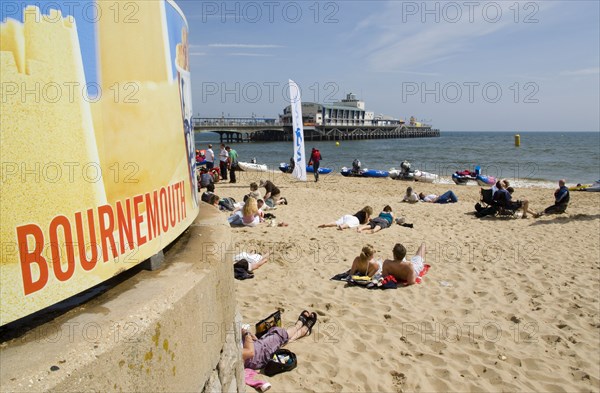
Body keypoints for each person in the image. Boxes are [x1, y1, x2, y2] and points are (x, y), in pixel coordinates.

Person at [242, 310, 317, 370]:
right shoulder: (232, 353)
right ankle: (299, 326)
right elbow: (250, 352)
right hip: (260, 354)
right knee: (279, 334)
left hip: (256, 351)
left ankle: (303, 332)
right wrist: (246, 334)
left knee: (277, 339)